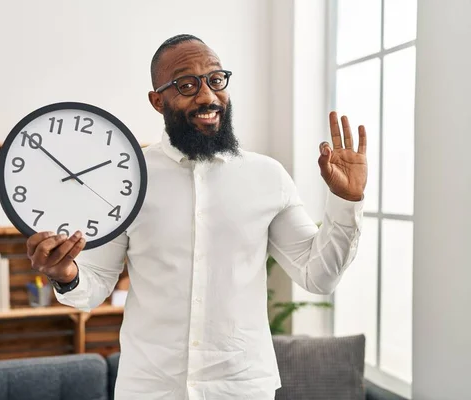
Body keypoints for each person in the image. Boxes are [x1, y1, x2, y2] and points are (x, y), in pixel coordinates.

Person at [26, 34, 367, 400]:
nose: (207, 96)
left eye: (216, 80)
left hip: (241, 389)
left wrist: (346, 201)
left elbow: (319, 276)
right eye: (186, 84)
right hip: (150, 389)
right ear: (158, 101)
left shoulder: (268, 176)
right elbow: (93, 287)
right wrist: (65, 275)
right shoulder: (126, 178)